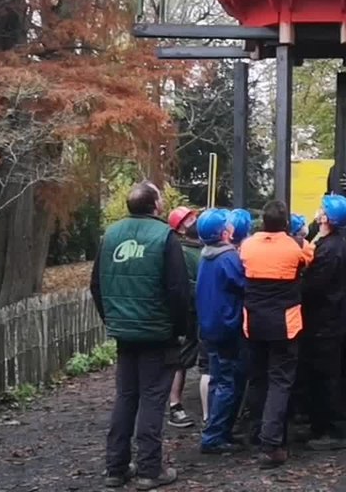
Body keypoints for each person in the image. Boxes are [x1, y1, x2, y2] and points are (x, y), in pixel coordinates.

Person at [90, 182, 188, 489]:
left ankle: (116, 467)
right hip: (158, 334)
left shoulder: (110, 236)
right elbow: (178, 290)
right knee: (152, 399)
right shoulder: (165, 237)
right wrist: (180, 329)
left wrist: (113, 319)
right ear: (156, 205)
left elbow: (96, 285)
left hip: (124, 333)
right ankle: (149, 469)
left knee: (126, 397)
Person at [240, 200, 314, 469]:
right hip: (285, 325)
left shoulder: (247, 245)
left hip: (253, 323)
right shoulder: (297, 245)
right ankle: (271, 445)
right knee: (280, 383)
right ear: (286, 224)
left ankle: (255, 432)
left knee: (258, 380)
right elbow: (310, 257)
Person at [298, 194, 346, 450]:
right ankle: (320, 426)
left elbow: (314, 286)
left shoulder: (331, 249)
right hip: (328, 320)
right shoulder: (330, 242)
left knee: (326, 377)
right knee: (321, 375)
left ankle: (335, 431)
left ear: (326, 218)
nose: (318, 212)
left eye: (322, 210)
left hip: (326, 323)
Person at [194, 209, 247, 455]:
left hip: (209, 327)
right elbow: (244, 284)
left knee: (217, 379)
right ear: (224, 233)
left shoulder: (206, 256)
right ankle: (214, 436)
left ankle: (218, 430)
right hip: (227, 327)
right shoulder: (228, 258)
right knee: (228, 382)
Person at [165, 206, 202, 429]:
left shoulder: (201, 248)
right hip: (190, 313)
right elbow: (185, 285)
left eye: (194, 216)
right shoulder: (182, 253)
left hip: (202, 312)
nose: (194, 220)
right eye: (188, 219)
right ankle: (174, 405)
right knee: (181, 360)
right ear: (180, 230)